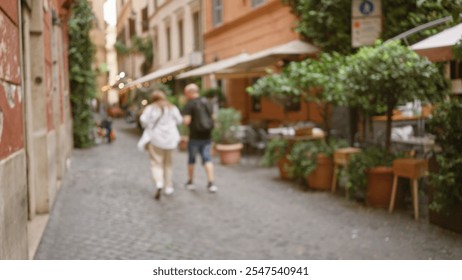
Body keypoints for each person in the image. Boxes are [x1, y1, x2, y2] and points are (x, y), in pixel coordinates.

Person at [139, 90, 183, 200]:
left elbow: (143, 121)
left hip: (155, 139)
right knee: (168, 164)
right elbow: (179, 120)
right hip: (170, 140)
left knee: (156, 163)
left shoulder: (150, 108)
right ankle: (168, 186)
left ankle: (159, 183)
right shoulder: (172, 107)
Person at [182, 83, 217, 193]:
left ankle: (191, 182)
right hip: (207, 136)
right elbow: (213, 117)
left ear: (189, 92)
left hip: (194, 136)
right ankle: (211, 183)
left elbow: (187, 121)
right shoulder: (207, 102)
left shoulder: (189, 105)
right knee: (207, 159)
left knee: (192, 160)